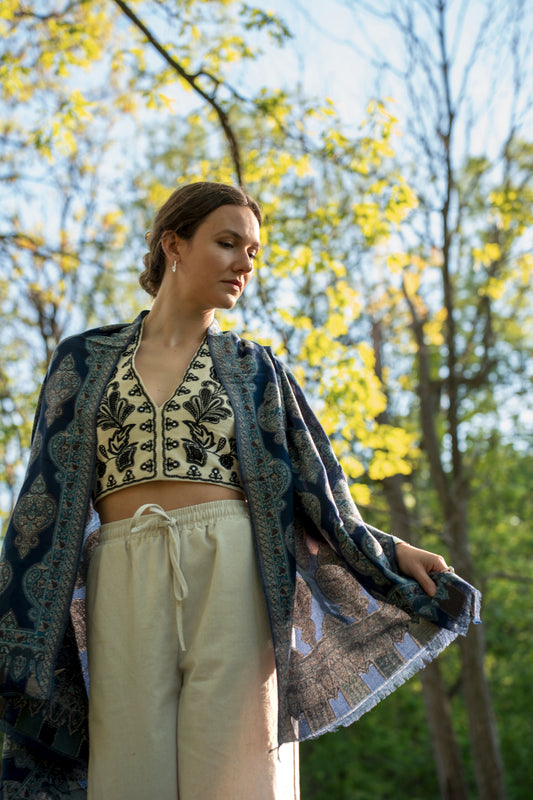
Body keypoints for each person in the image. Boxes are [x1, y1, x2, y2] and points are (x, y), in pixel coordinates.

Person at [0, 182, 480, 800]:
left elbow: (314, 491)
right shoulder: (83, 361)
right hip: (121, 571)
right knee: (127, 775)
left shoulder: (257, 370)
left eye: (252, 252)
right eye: (227, 243)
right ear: (173, 244)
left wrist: (387, 552)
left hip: (232, 573)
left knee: (236, 774)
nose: (244, 264)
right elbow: (42, 501)